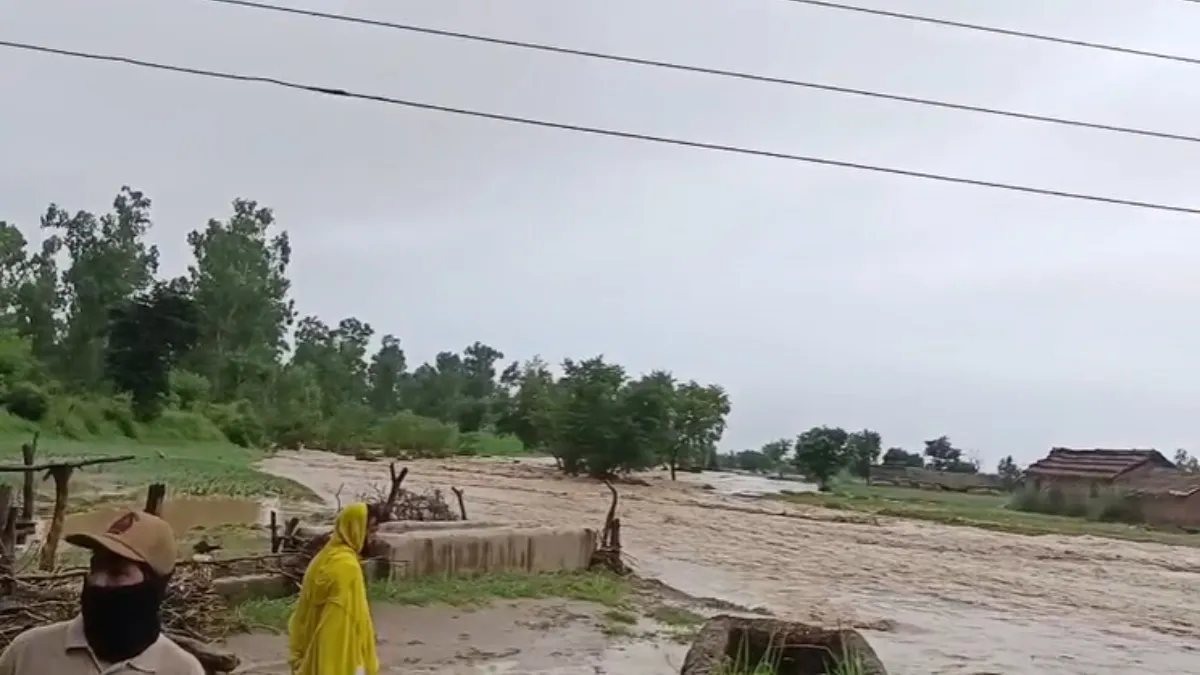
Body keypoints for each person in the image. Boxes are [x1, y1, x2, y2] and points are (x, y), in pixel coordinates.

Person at [0, 509, 203, 675]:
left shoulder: (182, 670)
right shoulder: (27, 653)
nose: (97, 581)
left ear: (154, 586)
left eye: (117, 573)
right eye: (95, 567)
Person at [288, 502, 380, 675]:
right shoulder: (347, 566)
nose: (374, 538)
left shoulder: (322, 558)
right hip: (341, 660)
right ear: (356, 529)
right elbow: (335, 626)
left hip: (314, 655)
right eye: (371, 531)